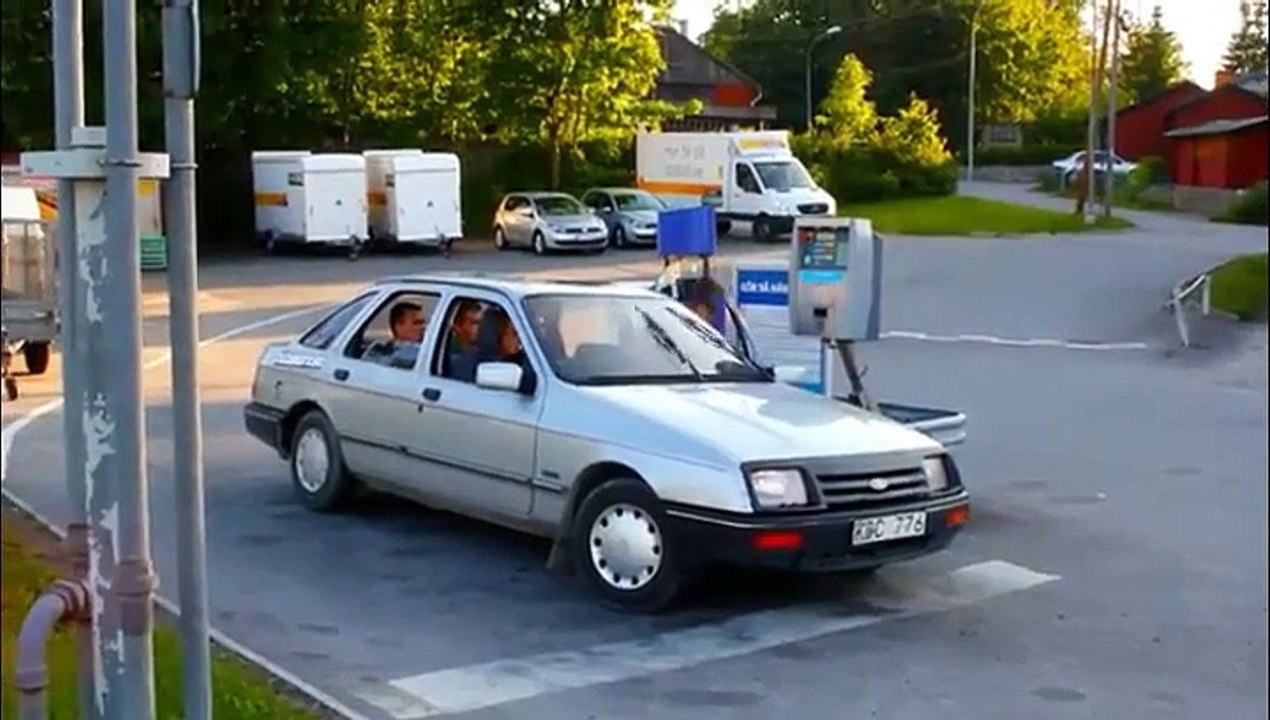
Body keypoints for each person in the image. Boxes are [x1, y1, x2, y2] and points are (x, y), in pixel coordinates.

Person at [363, 300, 424, 366]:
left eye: (423, 323)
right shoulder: (378, 353)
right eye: (417, 323)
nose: (423, 327)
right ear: (398, 326)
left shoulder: (428, 348)